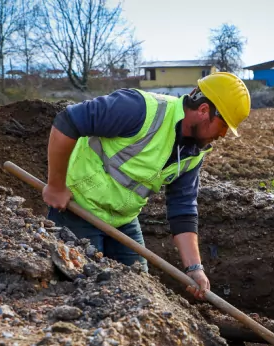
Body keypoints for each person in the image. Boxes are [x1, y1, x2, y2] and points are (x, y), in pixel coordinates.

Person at [42, 72, 251, 300]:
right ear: (203, 111)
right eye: (223, 126)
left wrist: (195, 268)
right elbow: (68, 122)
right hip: (78, 208)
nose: (223, 135)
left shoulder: (193, 153)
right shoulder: (139, 109)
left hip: (123, 220)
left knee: (141, 294)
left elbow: (182, 208)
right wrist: (55, 186)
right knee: (81, 289)